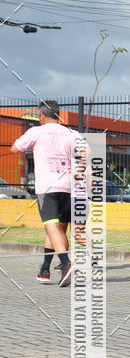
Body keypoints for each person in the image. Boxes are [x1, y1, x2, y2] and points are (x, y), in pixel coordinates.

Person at [11, 100, 77, 286]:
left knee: (51, 227)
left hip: (47, 187)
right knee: (55, 227)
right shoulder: (71, 133)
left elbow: (15, 147)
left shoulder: (36, 132)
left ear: (41, 116)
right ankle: (45, 269)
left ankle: (65, 265)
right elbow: (86, 152)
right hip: (67, 187)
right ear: (57, 113)